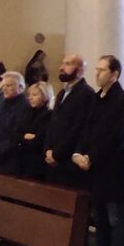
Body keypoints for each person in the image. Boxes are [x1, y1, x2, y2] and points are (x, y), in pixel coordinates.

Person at [72, 55, 124, 246]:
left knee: (115, 219)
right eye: (97, 69)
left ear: (114, 74)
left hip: (113, 170)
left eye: (102, 70)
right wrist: (78, 152)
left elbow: (115, 137)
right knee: (99, 217)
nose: (97, 73)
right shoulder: (95, 99)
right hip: (95, 170)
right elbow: (86, 130)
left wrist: (91, 157)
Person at [44, 54, 96, 189]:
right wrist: (48, 149)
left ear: (80, 70)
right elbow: (53, 123)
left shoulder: (86, 94)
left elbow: (77, 128)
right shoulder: (62, 93)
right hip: (52, 158)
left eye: (67, 64)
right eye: (62, 63)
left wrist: (57, 154)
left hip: (67, 161)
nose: (61, 68)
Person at [0, 71, 31, 175]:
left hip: (12, 158)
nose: (5, 89)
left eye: (9, 85)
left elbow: (17, 135)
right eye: (4, 86)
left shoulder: (24, 106)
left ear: (20, 87)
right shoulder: (3, 102)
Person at [18, 81, 54, 180]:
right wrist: (25, 136)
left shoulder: (49, 115)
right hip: (22, 159)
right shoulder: (27, 113)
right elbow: (15, 134)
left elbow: (38, 140)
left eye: (34, 95)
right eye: (29, 95)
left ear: (45, 96)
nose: (30, 98)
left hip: (37, 162)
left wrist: (24, 137)